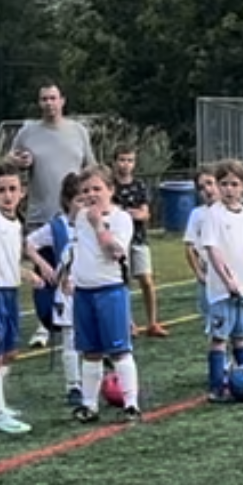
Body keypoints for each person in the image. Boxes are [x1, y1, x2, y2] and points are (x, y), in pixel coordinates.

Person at [0, 162, 53, 436]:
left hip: (10, 293)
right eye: (1, 190)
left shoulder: (16, 222)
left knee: (10, 352)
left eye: (12, 189)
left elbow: (8, 260)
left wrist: (28, 274)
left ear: (22, 192)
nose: (7, 195)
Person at [9, 86, 95, 345]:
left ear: (62, 101)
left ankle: (77, 314)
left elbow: (90, 167)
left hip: (74, 212)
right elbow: (8, 160)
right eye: (44, 99)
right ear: (39, 102)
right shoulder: (28, 132)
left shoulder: (78, 131)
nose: (49, 103)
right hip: (42, 211)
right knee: (44, 270)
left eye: (53, 98)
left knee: (76, 265)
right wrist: (18, 162)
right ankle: (44, 323)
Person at [66, 164, 140, 422]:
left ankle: (131, 403)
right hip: (84, 292)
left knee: (119, 349)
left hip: (110, 290)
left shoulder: (121, 218)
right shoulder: (80, 216)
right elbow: (77, 247)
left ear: (111, 189)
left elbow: (115, 251)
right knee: (90, 351)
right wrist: (70, 274)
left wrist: (99, 225)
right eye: (86, 190)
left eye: (97, 188)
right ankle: (89, 404)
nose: (91, 194)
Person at [194, 161, 243, 400]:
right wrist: (227, 279)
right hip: (222, 289)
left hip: (242, 289)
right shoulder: (213, 215)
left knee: (241, 337)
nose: (229, 189)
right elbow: (213, 250)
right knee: (219, 337)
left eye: (234, 184)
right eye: (224, 184)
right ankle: (216, 386)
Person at [26, 171, 84, 411]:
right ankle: (74, 386)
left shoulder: (96, 223)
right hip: (67, 292)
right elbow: (28, 243)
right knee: (70, 337)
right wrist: (43, 265)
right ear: (68, 201)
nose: (84, 205)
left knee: (94, 339)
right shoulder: (57, 226)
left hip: (92, 288)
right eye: (79, 200)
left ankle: (97, 380)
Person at [112, 145, 168, 337]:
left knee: (146, 279)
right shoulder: (110, 187)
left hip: (139, 238)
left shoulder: (139, 186)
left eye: (129, 160)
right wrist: (129, 214)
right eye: (122, 159)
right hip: (119, 240)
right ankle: (128, 323)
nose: (126, 164)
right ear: (115, 161)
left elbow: (145, 214)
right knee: (123, 281)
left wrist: (132, 213)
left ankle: (153, 322)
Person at [184, 169, 220, 340]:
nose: (207, 189)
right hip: (208, 272)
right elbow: (189, 246)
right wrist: (198, 272)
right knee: (211, 322)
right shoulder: (197, 214)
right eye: (201, 187)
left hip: (229, 271)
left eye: (210, 183)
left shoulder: (233, 211)